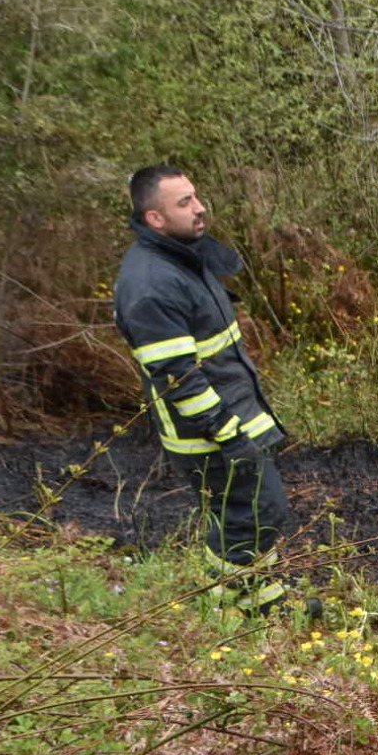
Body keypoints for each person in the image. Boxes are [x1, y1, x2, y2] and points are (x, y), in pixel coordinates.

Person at [112, 165, 291, 615]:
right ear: (155, 218)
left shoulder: (183, 256)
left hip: (233, 417)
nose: (200, 207)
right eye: (184, 202)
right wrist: (228, 432)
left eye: (196, 196)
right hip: (209, 433)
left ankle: (264, 606)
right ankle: (227, 613)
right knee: (247, 518)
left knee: (257, 516)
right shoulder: (151, 284)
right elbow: (178, 376)